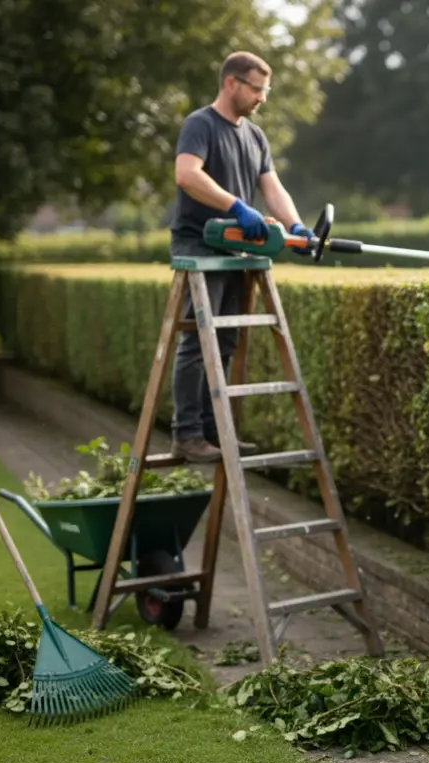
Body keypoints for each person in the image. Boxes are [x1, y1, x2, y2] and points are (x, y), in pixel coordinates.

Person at [168, 51, 314, 463]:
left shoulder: (254, 136)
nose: (263, 98)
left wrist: (297, 227)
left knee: (227, 339)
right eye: (258, 89)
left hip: (236, 247)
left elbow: (272, 187)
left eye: (266, 90)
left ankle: (215, 433)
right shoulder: (201, 125)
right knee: (199, 340)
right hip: (198, 246)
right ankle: (187, 433)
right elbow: (187, 175)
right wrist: (236, 205)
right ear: (231, 82)